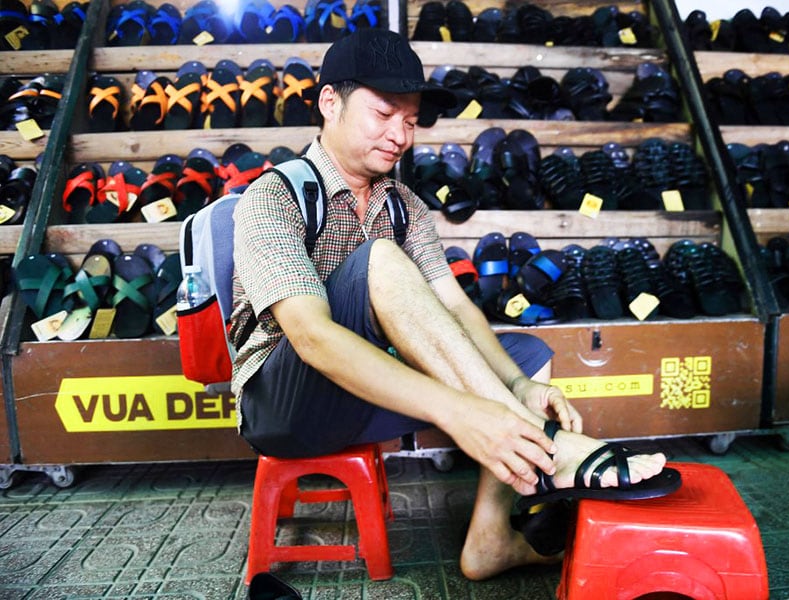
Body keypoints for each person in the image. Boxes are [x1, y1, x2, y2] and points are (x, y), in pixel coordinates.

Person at [231, 28, 675, 580]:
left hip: (367, 389)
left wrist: (517, 386)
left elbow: (457, 307)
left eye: (410, 122)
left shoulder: (405, 205)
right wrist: (461, 411)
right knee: (380, 260)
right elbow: (312, 337)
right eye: (383, 114)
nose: (400, 136)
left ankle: (491, 538)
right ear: (330, 102)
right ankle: (549, 450)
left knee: (528, 357)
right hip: (286, 406)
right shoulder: (273, 196)